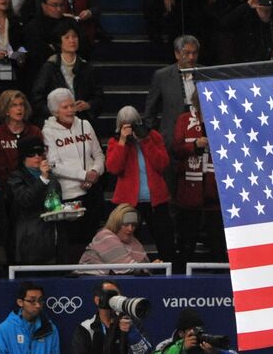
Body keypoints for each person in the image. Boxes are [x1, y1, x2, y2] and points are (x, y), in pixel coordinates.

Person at [108, 105, 177, 269]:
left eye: (133, 125)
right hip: (129, 204)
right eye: (126, 126)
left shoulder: (153, 137)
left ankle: (173, 276)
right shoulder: (115, 141)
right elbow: (113, 168)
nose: (130, 130)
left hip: (156, 201)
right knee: (128, 245)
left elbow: (162, 164)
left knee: (166, 243)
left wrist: (145, 140)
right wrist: (123, 142)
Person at [41, 85, 103, 233]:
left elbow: (99, 155)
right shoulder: (48, 131)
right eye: (65, 107)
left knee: (94, 237)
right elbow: (53, 165)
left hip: (92, 190)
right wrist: (83, 175)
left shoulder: (85, 125)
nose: (70, 110)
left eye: (72, 105)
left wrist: (94, 172)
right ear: (55, 111)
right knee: (74, 240)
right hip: (69, 195)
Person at [69, 279, 151, 354]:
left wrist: (132, 334)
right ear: (97, 300)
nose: (114, 300)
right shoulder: (86, 328)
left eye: (117, 296)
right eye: (110, 296)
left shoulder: (132, 324)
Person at [169, 99, 215, 257]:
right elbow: (175, 149)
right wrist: (194, 145)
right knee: (186, 243)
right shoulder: (184, 119)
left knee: (217, 244)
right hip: (189, 192)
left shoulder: (220, 116)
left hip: (214, 194)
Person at [9, 133, 63, 263]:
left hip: (53, 236)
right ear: (23, 156)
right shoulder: (16, 177)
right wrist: (42, 179)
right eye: (32, 154)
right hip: (29, 239)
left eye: (39, 153)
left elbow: (57, 201)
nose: (37, 157)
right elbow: (25, 200)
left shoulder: (52, 177)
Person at [0, 280, 61, 354]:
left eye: (40, 300)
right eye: (32, 301)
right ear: (20, 302)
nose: (38, 305)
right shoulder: (4, 329)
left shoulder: (50, 329)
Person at [144, 35, 199, 146]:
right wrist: (158, 136)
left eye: (194, 53)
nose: (191, 57)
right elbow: (150, 110)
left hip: (199, 136)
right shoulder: (162, 76)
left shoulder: (206, 74)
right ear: (177, 54)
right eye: (187, 53)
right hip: (171, 140)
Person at [147, 309, 241, 354]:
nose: (196, 333)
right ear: (181, 333)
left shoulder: (206, 341)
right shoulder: (167, 344)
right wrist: (181, 348)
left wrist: (217, 353)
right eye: (192, 330)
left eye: (198, 329)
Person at [0, 88, 40, 184]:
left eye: (21, 104)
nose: (19, 108)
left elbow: (40, 159)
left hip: (34, 183)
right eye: (14, 105)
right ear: (6, 109)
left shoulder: (34, 131)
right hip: (6, 185)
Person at [80, 203, 149, 273]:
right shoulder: (105, 236)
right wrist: (149, 267)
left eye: (133, 225)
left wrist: (153, 265)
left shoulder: (134, 242)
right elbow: (126, 267)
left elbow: (144, 271)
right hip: (88, 280)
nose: (130, 229)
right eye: (126, 224)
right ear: (116, 224)